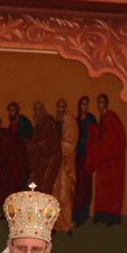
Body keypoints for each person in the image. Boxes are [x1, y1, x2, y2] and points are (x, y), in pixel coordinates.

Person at [85, 94, 126, 226]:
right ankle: (101, 215)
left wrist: (100, 147)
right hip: (104, 160)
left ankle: (112, 218)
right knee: (102, 187)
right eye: (98, 102)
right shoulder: (102, 118)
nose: (100, 105)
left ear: (106, 103)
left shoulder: (111, 118)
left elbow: (115, 138)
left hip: (113, 161)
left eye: (102, 102)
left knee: (113, 187)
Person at [72, 96, 99, 227]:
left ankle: (84, 215)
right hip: (78, 157)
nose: (84, 107)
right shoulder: (76, 120)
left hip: (87, 156)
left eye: (86, 104)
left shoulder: (91, 119)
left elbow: (95, 137)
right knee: (78, 187)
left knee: (86, 187)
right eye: (82, 104)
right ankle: (77, 215)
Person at [53, 98, 78, 234]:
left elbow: (71, 143)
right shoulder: (55, 121)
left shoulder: (70, 122)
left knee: (65, 194)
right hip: (56, 163)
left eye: (62, 107)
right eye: (58, 107)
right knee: (55, 193)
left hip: (66, 163)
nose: (60, 109)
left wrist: (58, 145)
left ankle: (67, 224)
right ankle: (56, 225)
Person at [27, 100, 61, 195]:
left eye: (39, 109)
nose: (37, 112)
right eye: (35, 109)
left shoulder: (49, 122)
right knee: (33, 185)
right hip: (41, 160)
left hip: (50, 159)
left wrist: (37, 146)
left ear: (43, 110)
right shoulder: (37, 127)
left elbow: (51, 141)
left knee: (44, 185)